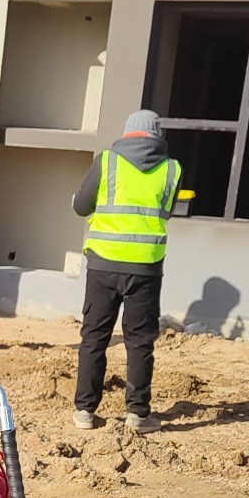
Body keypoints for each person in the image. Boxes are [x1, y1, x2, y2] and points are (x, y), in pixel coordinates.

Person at [71, 109, 182, 433]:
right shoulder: (172, 168)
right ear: (157, 135)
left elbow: (82, 206)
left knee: (94, 336)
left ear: (128, 132)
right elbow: (166, 211)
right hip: (145, 267)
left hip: (104, 263)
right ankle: (138, 414)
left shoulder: (107, 161)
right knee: (140, 341)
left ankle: (85, 411)